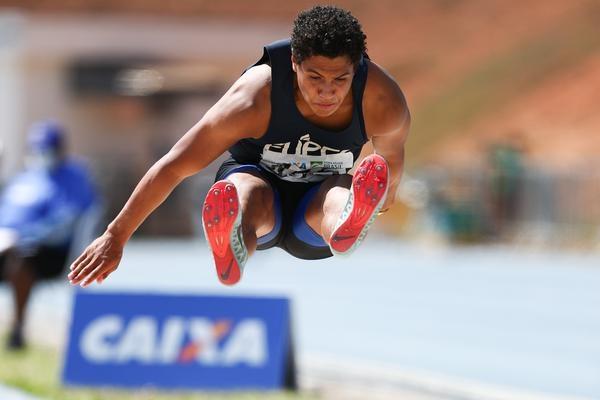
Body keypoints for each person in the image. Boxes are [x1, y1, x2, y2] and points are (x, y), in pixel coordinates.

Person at [68, 5, 410, 287]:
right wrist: (115, 235)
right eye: (314, 78)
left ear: (357, 69)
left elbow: (391, 162)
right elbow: (175, 165)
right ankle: (233, 247)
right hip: (261, 186)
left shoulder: (381, 100)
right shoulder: (253, 98)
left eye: (340, 79)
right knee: (245, 191)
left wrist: (381, 198)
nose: (327, 92)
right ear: (293, 64)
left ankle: (344, 222)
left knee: (341, 188)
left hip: (316, 207)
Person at [0, 121, 99, 349]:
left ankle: (17, 330)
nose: (42, 155)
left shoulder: (74, 178)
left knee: (22, 258)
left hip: (46, 253)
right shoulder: (25, 177)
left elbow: (66, 221)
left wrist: (22, 237)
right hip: (7, 247)